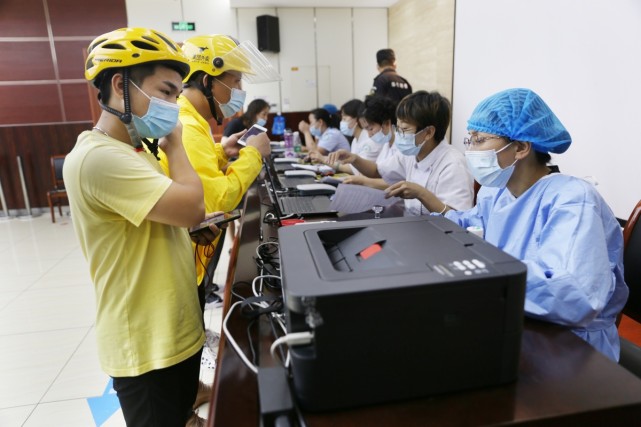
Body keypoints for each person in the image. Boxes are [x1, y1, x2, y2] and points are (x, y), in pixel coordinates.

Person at [63, 28, 217, 426]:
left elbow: (157, 220)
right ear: (120, 85)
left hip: (172, 332)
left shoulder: (130, 151)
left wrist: (183, 233)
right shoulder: (98, 158)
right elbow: (192, 206)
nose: (173, 106)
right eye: (166, 92)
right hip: (146, 346)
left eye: (177, 95)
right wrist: (175, 145)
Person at [407, 88, 629, 361]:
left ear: (522, 147)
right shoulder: (495, 192)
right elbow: (469, 225)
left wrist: (487, 278)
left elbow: (574, 297)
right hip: (516, 316)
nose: (470, 150)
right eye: (470, 140)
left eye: (479, 140)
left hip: (571, 345)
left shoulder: (572, 200)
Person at [159, 34, 277, 310]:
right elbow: (217, 201)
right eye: (235, 81)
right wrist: (254, 154)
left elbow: (197, 167)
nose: (239, 90)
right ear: (207, 81)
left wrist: (223, 150)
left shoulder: (190, 121)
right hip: (183, 263)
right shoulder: (187, 126)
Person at [330, 91, 474, 214]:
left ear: (428, 132)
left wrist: (421, 193)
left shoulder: (453, 164)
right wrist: (354, 158)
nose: (399, 134)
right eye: (397, 128)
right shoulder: (411, 153)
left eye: (404, 129)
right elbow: (377, 171)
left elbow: (458, 218)